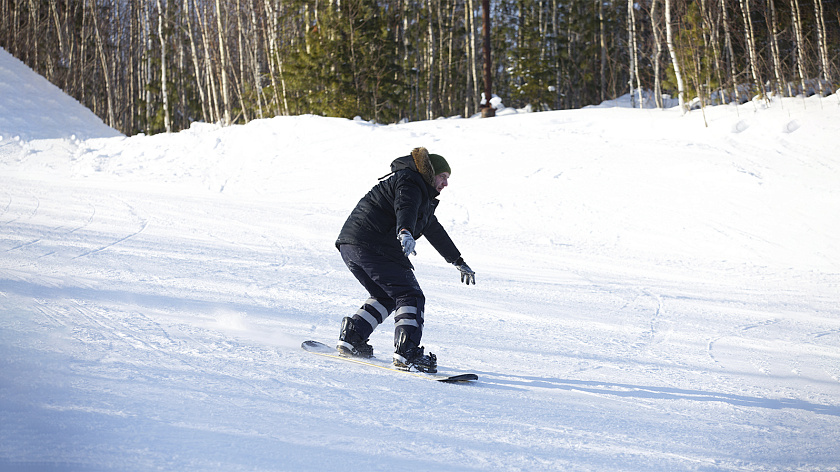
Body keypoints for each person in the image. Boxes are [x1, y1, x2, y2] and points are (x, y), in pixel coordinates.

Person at [334, 147, 475, 373]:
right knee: (410, 295)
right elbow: (405, 205)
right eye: (443, 177)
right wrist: (405, 231)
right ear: (431, 173)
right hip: (373, 244)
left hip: (352, 246)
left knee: (386, 296)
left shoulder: (421, 195)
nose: (446, 184)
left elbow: (434, 229)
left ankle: (353, 336)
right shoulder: (410, 181)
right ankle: (406, 351)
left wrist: (457, 259)